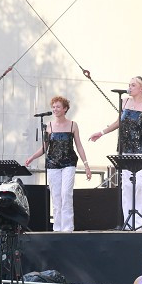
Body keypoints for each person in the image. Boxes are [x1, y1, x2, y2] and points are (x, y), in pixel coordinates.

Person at [89, 76, 142, 231]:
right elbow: (118, 122)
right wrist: (101, 132)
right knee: (127, 186)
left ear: (141, 88)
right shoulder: (125, 102)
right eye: (129, 85)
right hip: (126, 149)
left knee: (140, 185)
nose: (130, 87)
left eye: (133, 85)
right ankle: (129, 221)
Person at [24, 96, 91, 232]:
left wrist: (86, 165)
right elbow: (44, 148)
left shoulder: (73, 125)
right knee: (56, 195)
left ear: (65, 109)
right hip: (53, 163)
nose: (55, 109)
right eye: (53, 107)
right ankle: (57, 228)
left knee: (66, 193)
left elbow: (79, 146)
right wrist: (32, 157)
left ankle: (68, 228)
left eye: (58, 107)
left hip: (69, 162)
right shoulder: (48, 126)